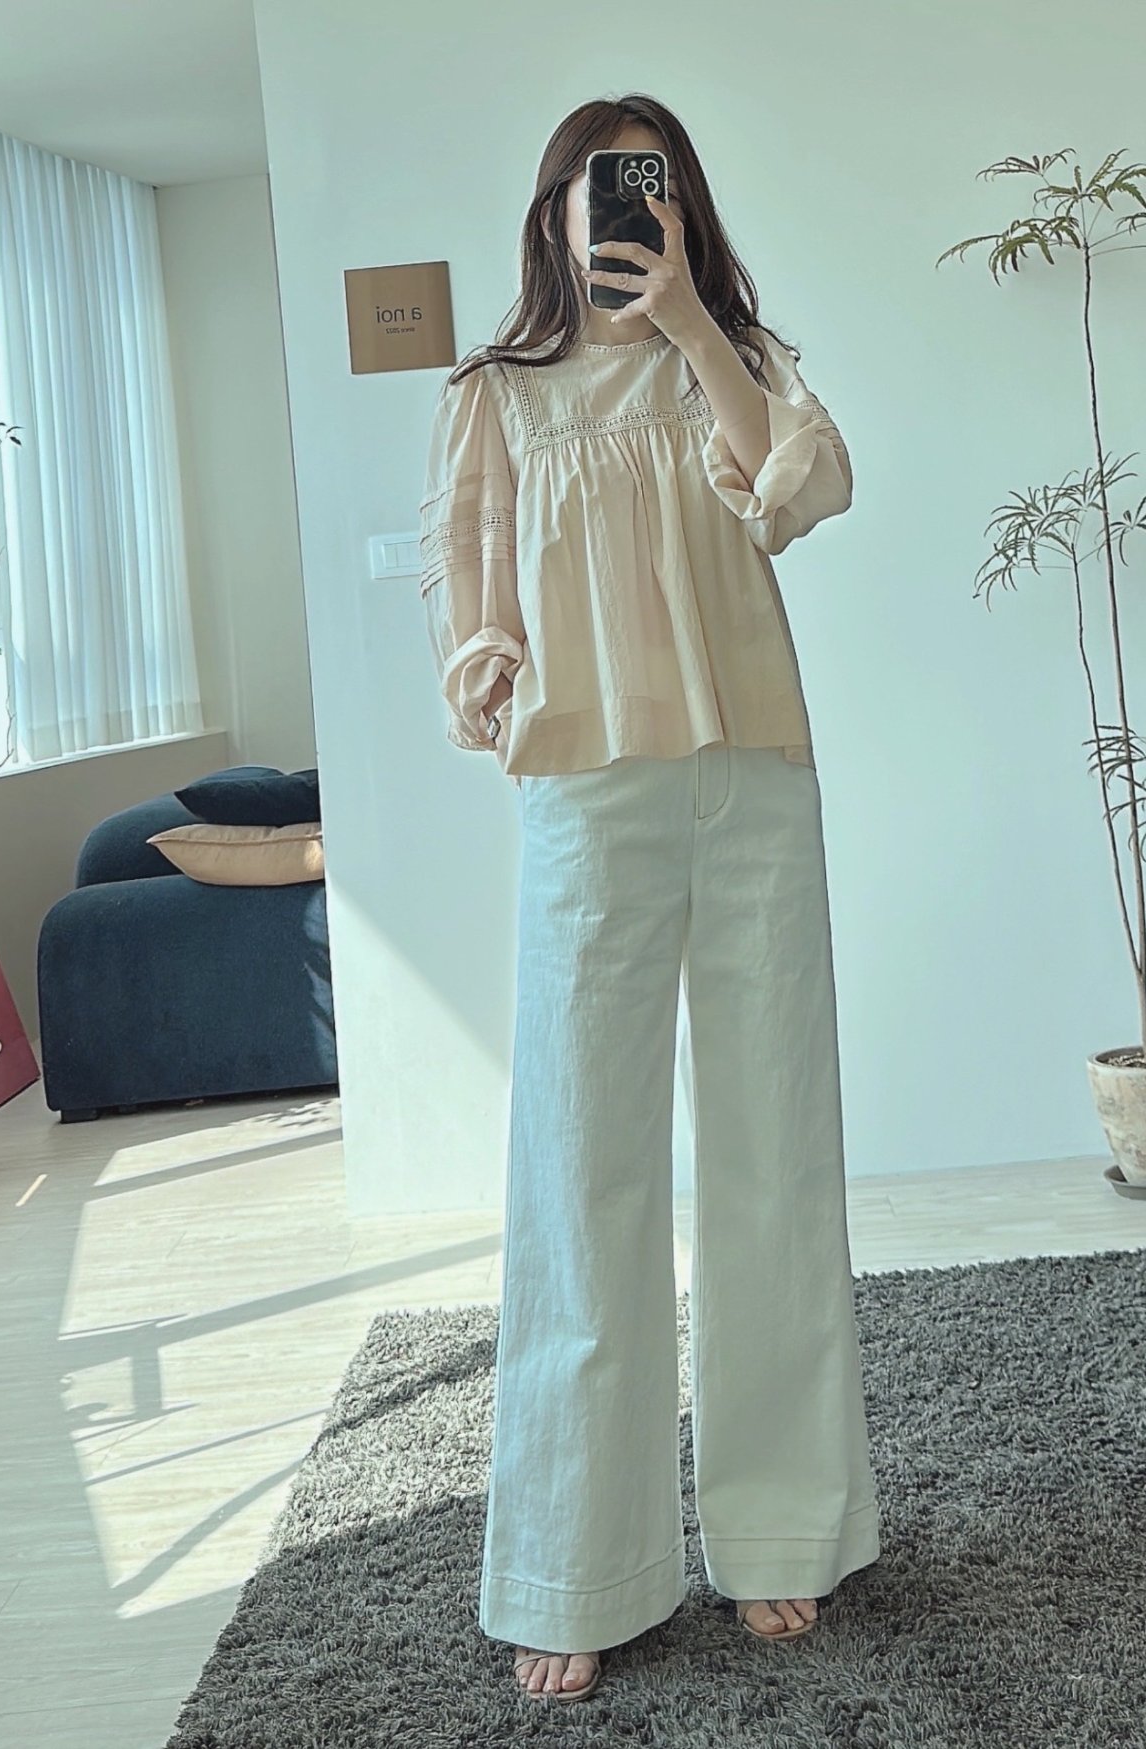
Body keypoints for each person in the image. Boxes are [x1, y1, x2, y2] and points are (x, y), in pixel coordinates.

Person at [417, 94, 881, 1706]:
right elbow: (469, 591)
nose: (623, 209)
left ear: (681, 208)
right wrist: (490, 668)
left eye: (653, 186)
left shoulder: (733, 358)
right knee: (582, 1170)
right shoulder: (495, 396)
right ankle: (575, 1562)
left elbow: (799, 489)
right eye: (602, 186)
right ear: (554, 208)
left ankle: (780, 1524)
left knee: (772, 1152)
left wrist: (692, 324)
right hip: (589, 795)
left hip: (752, 778)